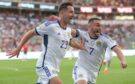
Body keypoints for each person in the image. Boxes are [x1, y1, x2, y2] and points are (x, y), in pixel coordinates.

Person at [6, 2, 83, 84]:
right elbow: (31, 32)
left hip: (55, 68)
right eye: (70, 12)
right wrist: (19, 47)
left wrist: (81, 47)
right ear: (62, 13)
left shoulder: (68, 31)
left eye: (73, 12)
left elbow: (69, 41)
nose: (73, 14)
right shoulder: (50, 26)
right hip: (44, 65)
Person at [72, 18, 127, 84]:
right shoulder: (82, 34)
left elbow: (117, 50)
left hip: (93, 73)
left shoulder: (104, 39)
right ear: (89, 26)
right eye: (97, 25)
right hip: (80, 68)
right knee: (82, 82)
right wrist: (74, 44)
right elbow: (70, 31)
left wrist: (123, 61)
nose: (100, 28)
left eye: (101, 26)